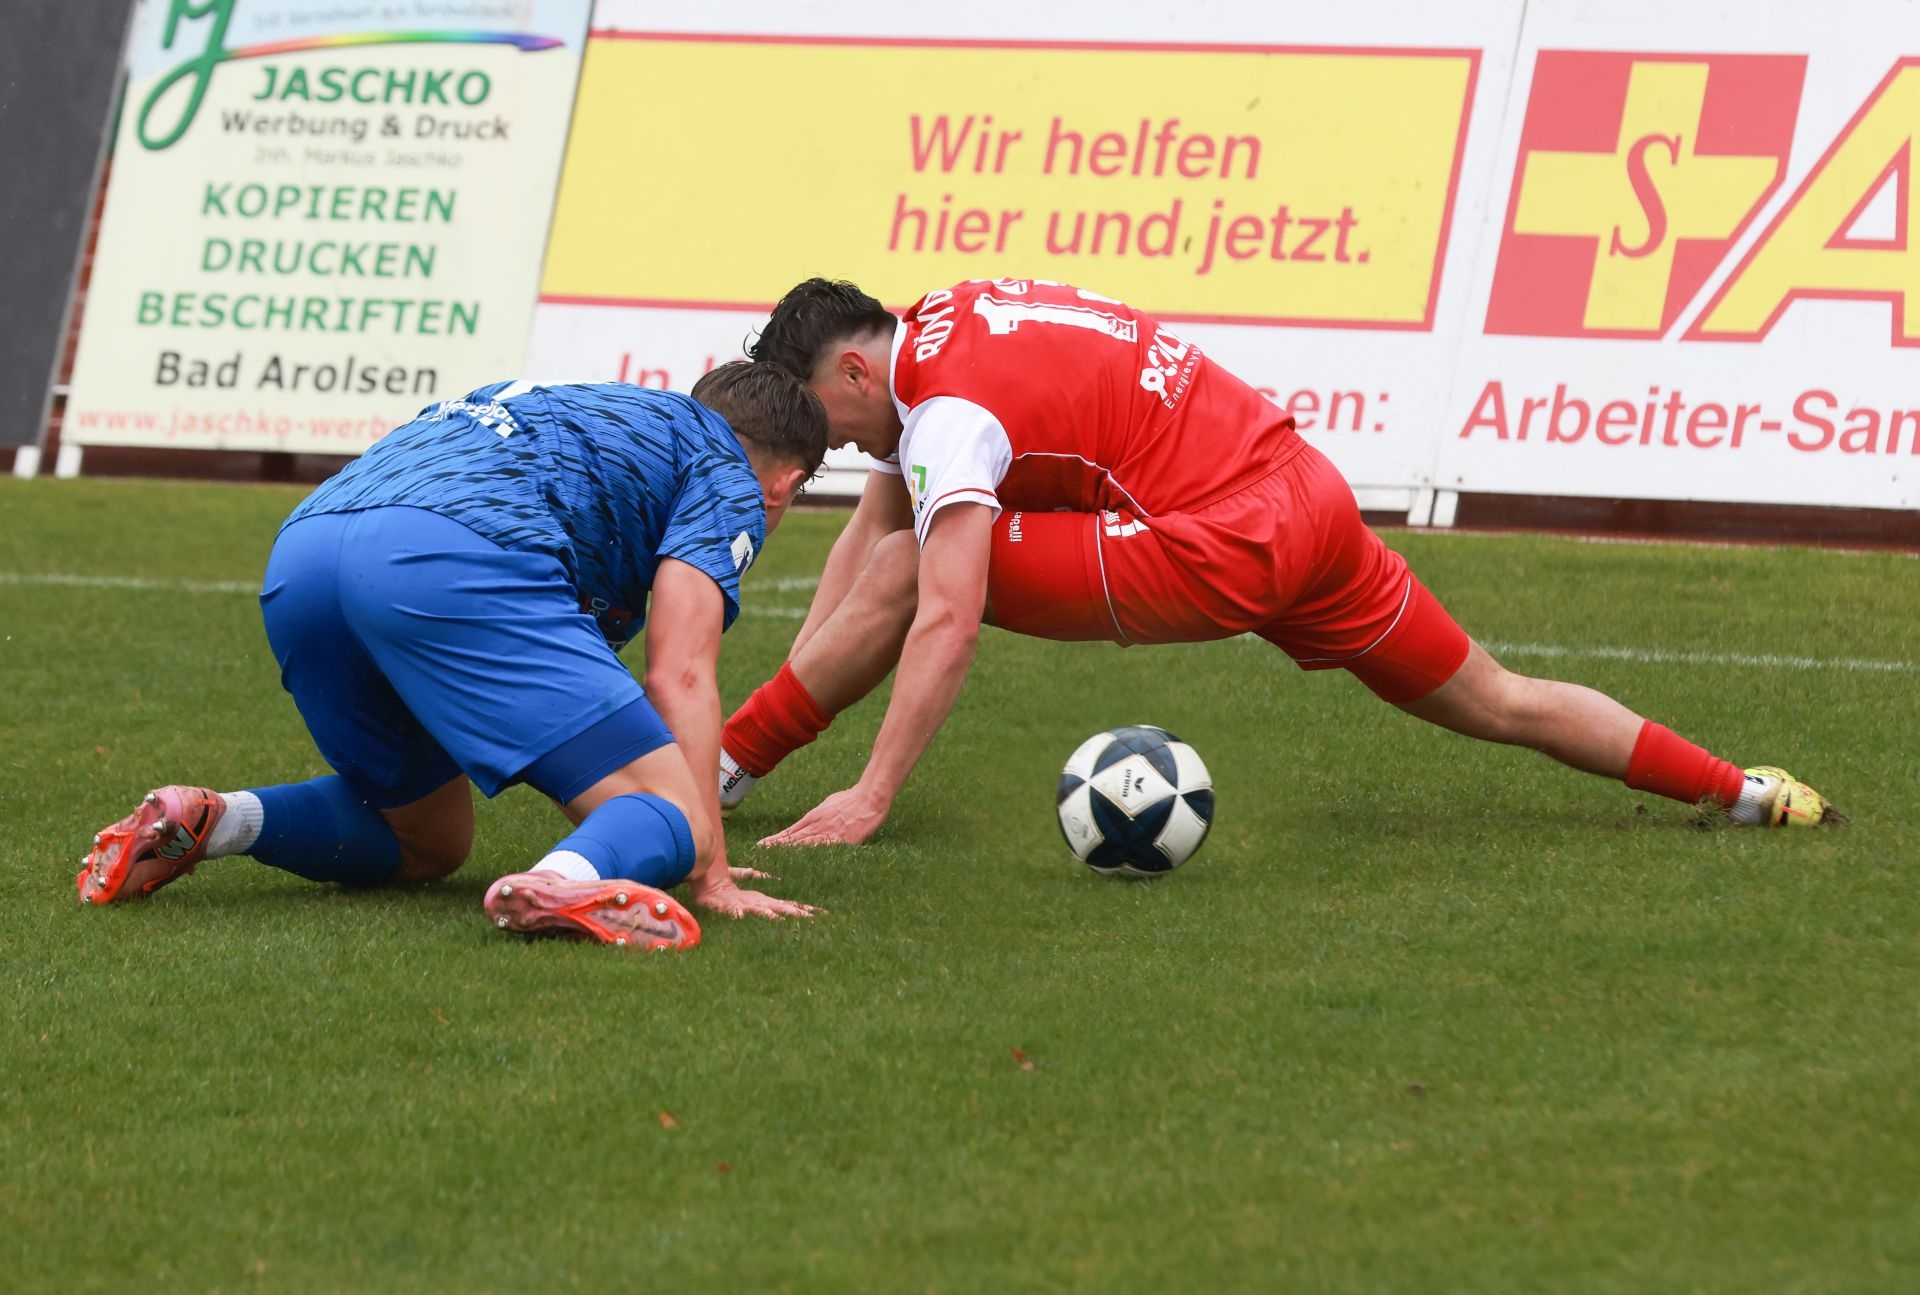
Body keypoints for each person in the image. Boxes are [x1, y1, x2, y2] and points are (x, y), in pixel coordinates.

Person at [713, 277, 1836, 845]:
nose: (818, 441)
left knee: (920, 569)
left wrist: (869, 791)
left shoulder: (949, 414)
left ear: (855, 373)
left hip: (1218, 541)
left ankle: (716, 772)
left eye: (815, 412)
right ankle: (1744, 791)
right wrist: (790, 694)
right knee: (1498, 696)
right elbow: (873, 519)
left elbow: (936, 603)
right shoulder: (940, 323)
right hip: (1306, 495)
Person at [76, 361, 828, 948]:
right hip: (448, 555)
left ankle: (215, 820)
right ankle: (556, 883)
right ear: (784, 485)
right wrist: (709, 866)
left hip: (306, 552)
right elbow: (680, 672)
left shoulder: (595, 413)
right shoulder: (730, 470)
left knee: (427, 840)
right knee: (681, 817)